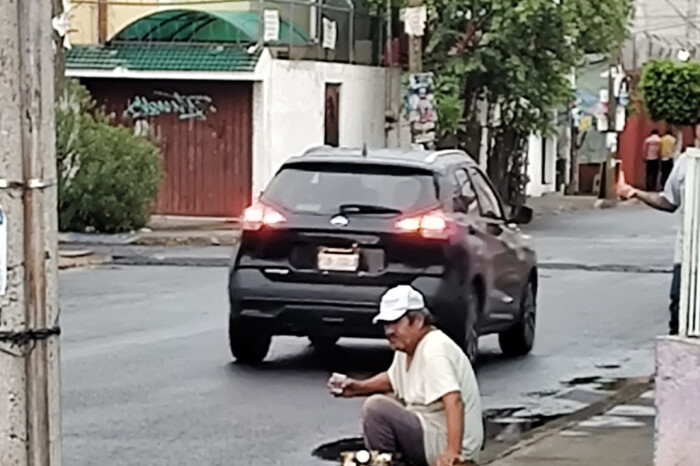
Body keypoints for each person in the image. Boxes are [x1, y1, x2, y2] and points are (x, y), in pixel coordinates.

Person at [328, 285, 483, 466]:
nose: (389, 331)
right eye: (386, 324)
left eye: (395, 323)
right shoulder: (406, 348)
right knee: (384, 402)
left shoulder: (434, 349)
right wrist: (357, 388)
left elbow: (453, 400)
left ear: (417, 321)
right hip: (431, 432)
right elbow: (393, 379)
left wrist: (452, 452)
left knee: (376, 408)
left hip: (448, 442)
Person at [618, 151, 688, 335]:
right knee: (679, 313)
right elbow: (668, 201)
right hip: (688, 256)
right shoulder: (686, 163)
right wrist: (635, 193)